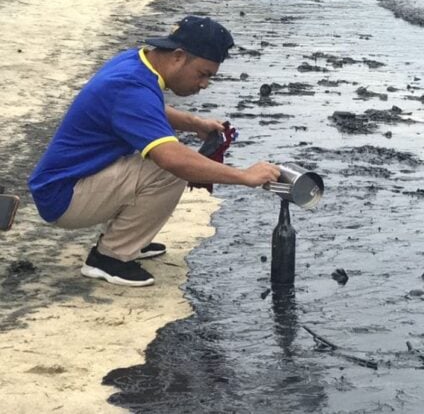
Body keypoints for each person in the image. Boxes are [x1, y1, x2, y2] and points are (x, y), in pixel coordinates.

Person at [28, 16, 281, 287]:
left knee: (162, 161)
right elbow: (173, 159)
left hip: (66, 182)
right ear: (178, 57)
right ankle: (108, 258)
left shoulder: (136, 62)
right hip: (65, 197)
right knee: (167, 168)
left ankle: (129, 238)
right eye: (203, 74)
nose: (204, 84)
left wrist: (193, 123)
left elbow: (146, 108)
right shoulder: (131, 87)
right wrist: (244, 176)